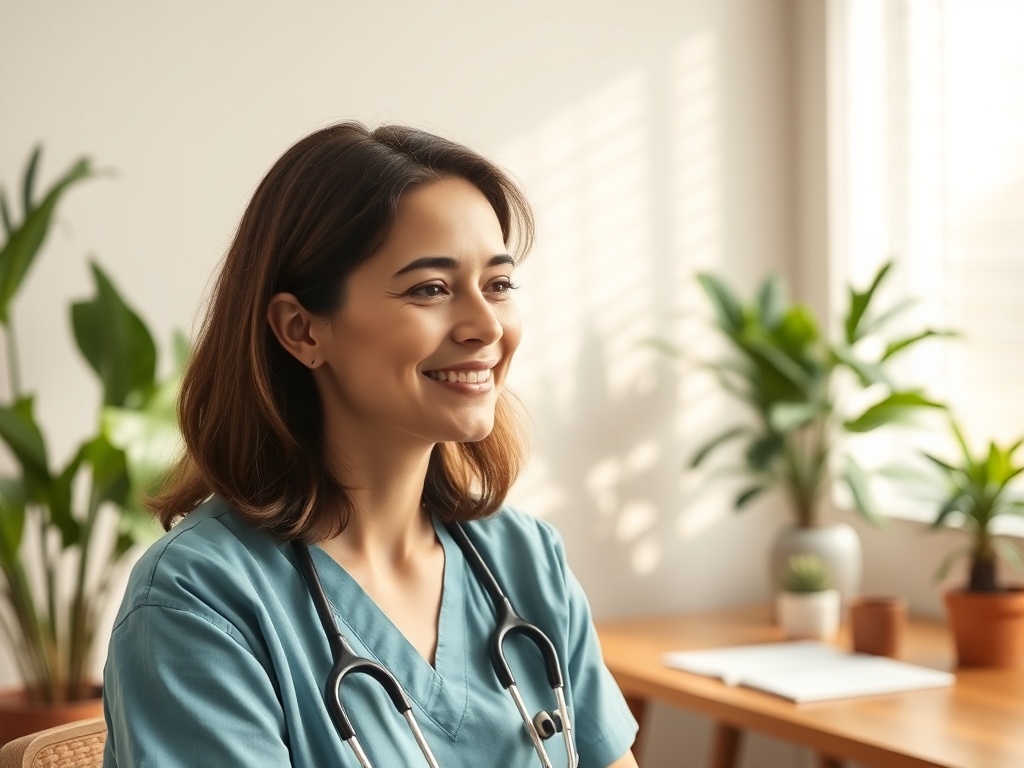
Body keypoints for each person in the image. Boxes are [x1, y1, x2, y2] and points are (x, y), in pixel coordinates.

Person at [101, 122, 640, 768]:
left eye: (497, 285)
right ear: (302, 330)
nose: (485, 325)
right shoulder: (200, 601)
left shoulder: (525, 561)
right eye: (431, 289)